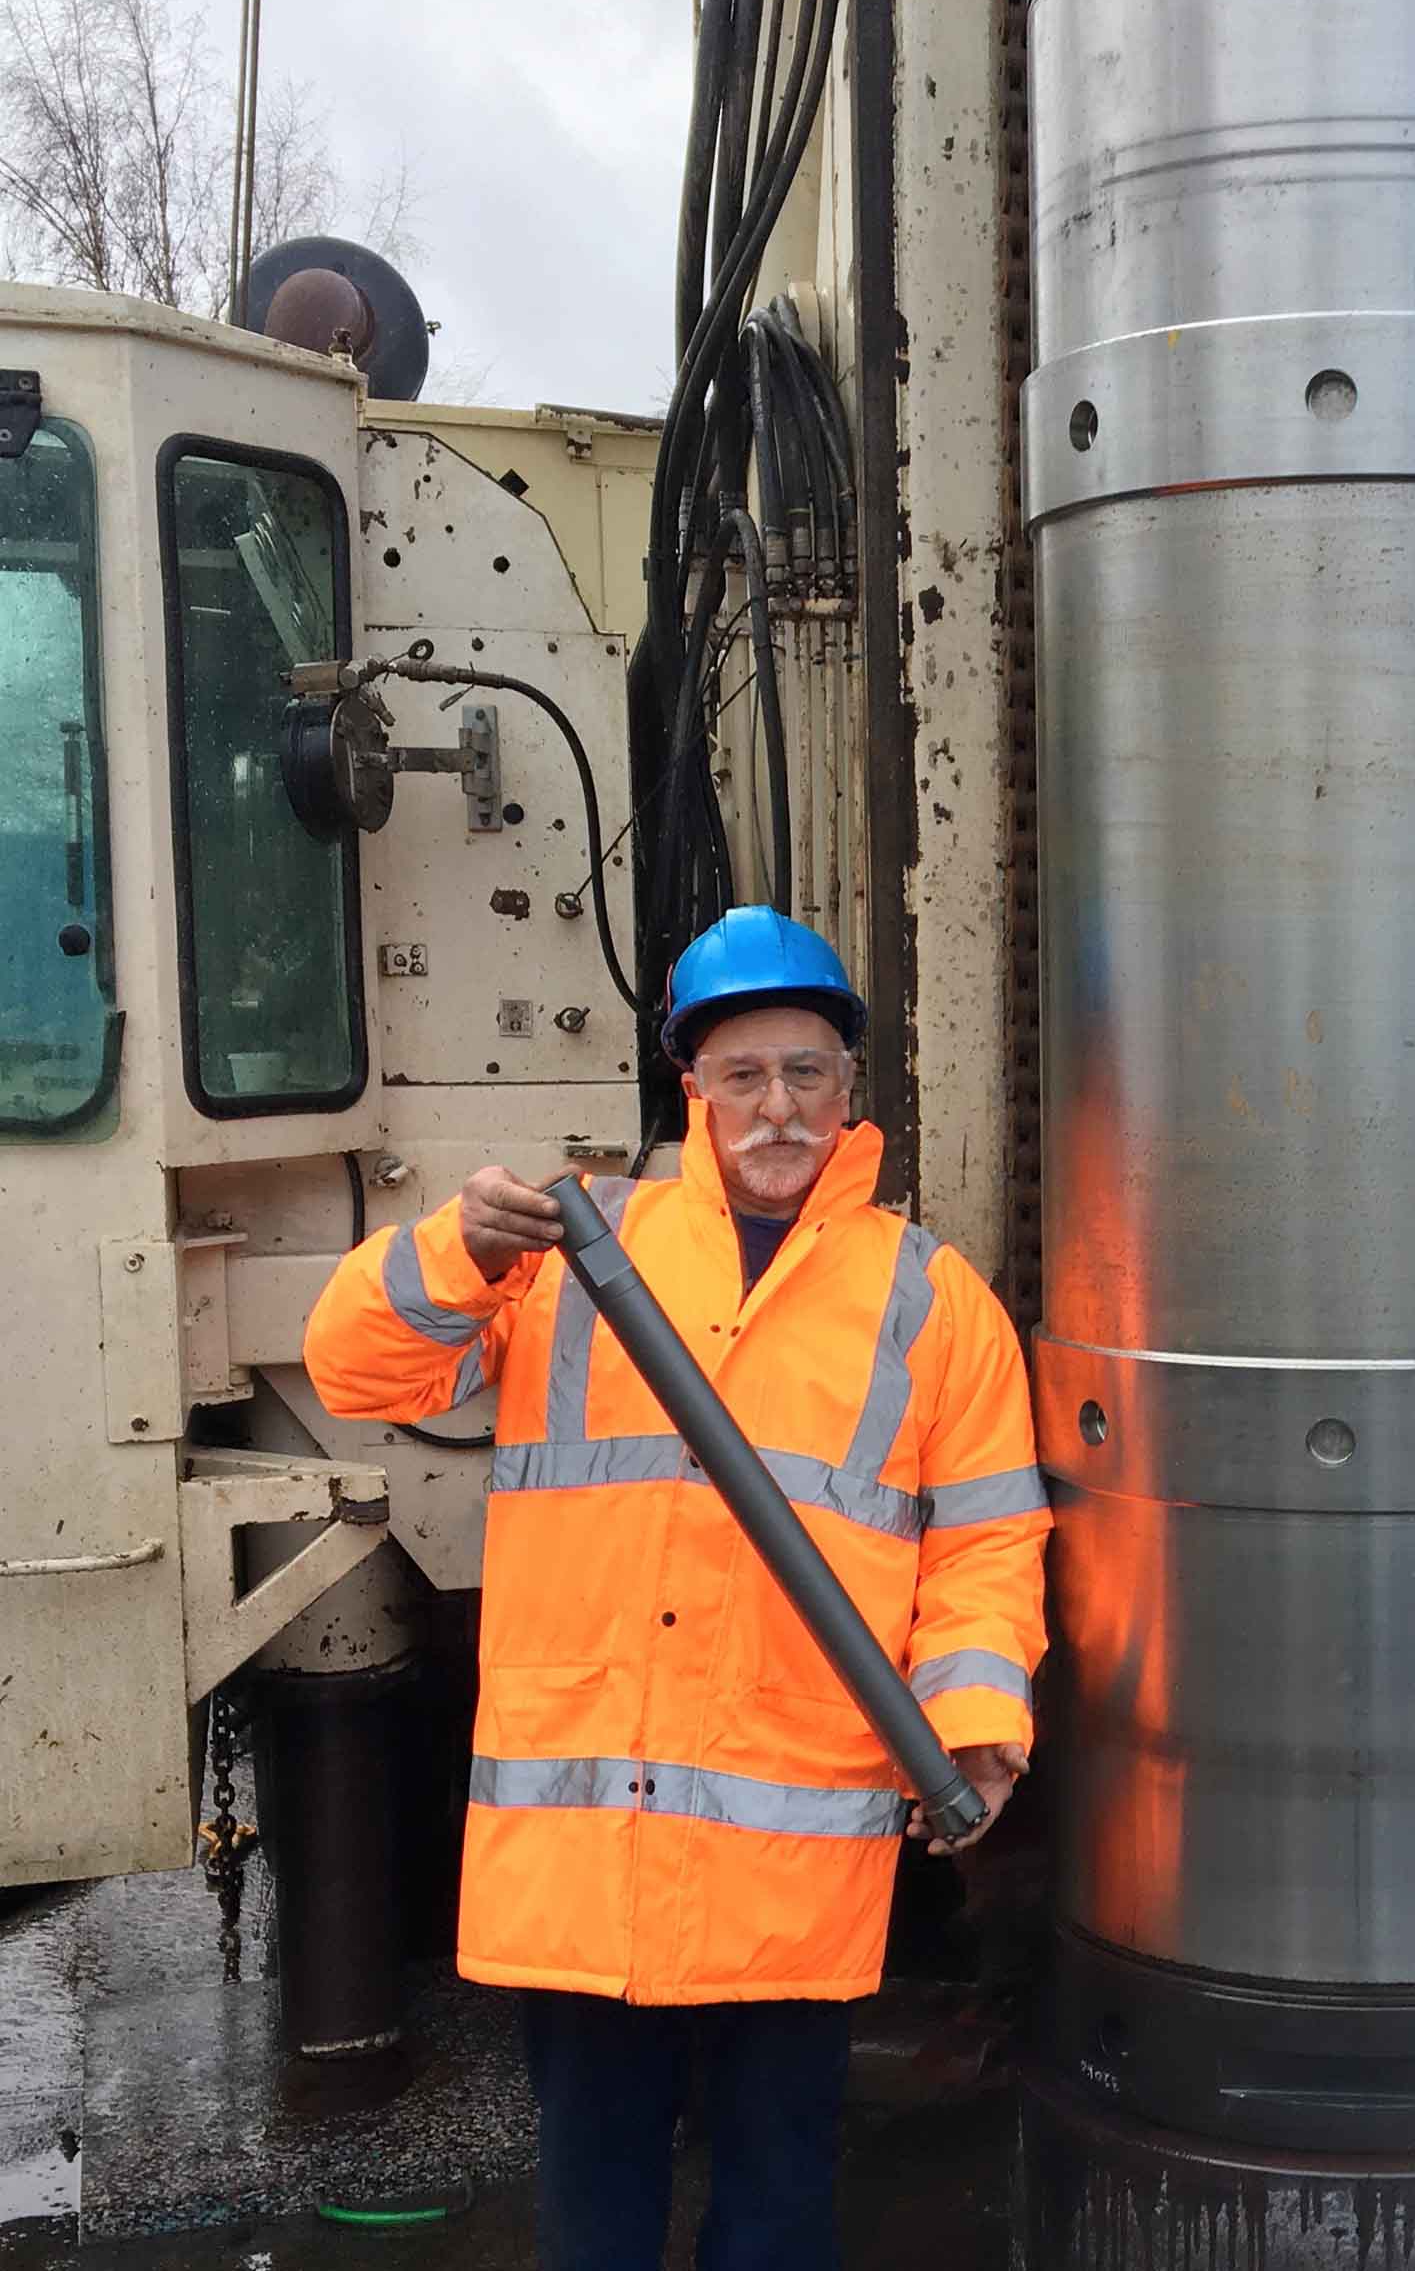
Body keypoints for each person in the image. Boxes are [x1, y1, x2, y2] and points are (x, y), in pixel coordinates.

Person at [303, 906, 1051, 2269]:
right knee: (595, 2209)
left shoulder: (932, 1303)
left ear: (849, 1089)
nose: (779, 1107)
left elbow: (989, 1543)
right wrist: (446, 1256)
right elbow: (362, 1375)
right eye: (745, 1074)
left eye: (808, 1071)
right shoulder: (577, 1250)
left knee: (776, 2206)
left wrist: (976, 1717)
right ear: (693, 1089)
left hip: (789, 1850)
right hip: (596, 1850)